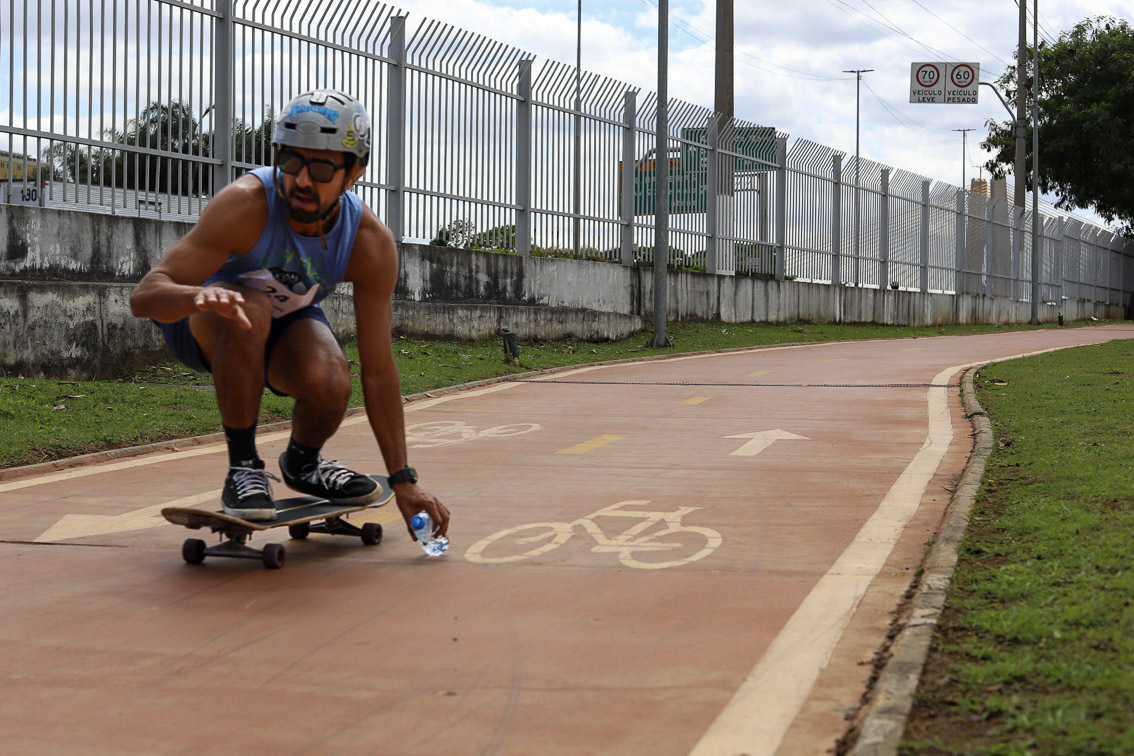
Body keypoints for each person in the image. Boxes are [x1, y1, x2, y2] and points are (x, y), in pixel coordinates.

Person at [130, 88, 449, 543]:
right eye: (291, 162)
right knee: (250, 307)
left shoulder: (369, 243)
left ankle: (303, 461)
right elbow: (145, 296)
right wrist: (196, 298)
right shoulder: (244, 205)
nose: (301, 181)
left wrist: (403, 478)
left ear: (355, 172)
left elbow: (378, 372)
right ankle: (243, 468)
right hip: (204, 324)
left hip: (285, 324)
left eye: (321, 169)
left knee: (332, 378)